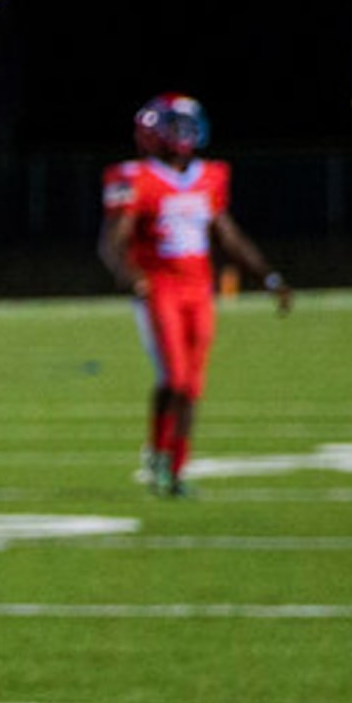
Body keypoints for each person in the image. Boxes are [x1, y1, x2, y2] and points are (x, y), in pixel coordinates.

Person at [100, 94, 290, 499]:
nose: (182, 133)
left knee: (192, 385)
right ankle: (160, 457)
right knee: (177, 380)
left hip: (198, 290)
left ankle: (175, 465)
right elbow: (112, 241)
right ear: (152, 133)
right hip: (158, 289)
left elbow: (227, 235)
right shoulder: (134, 177)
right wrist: (129, 275)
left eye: (186, 124)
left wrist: (268, 276)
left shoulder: (211, 175)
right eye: (173, 125)